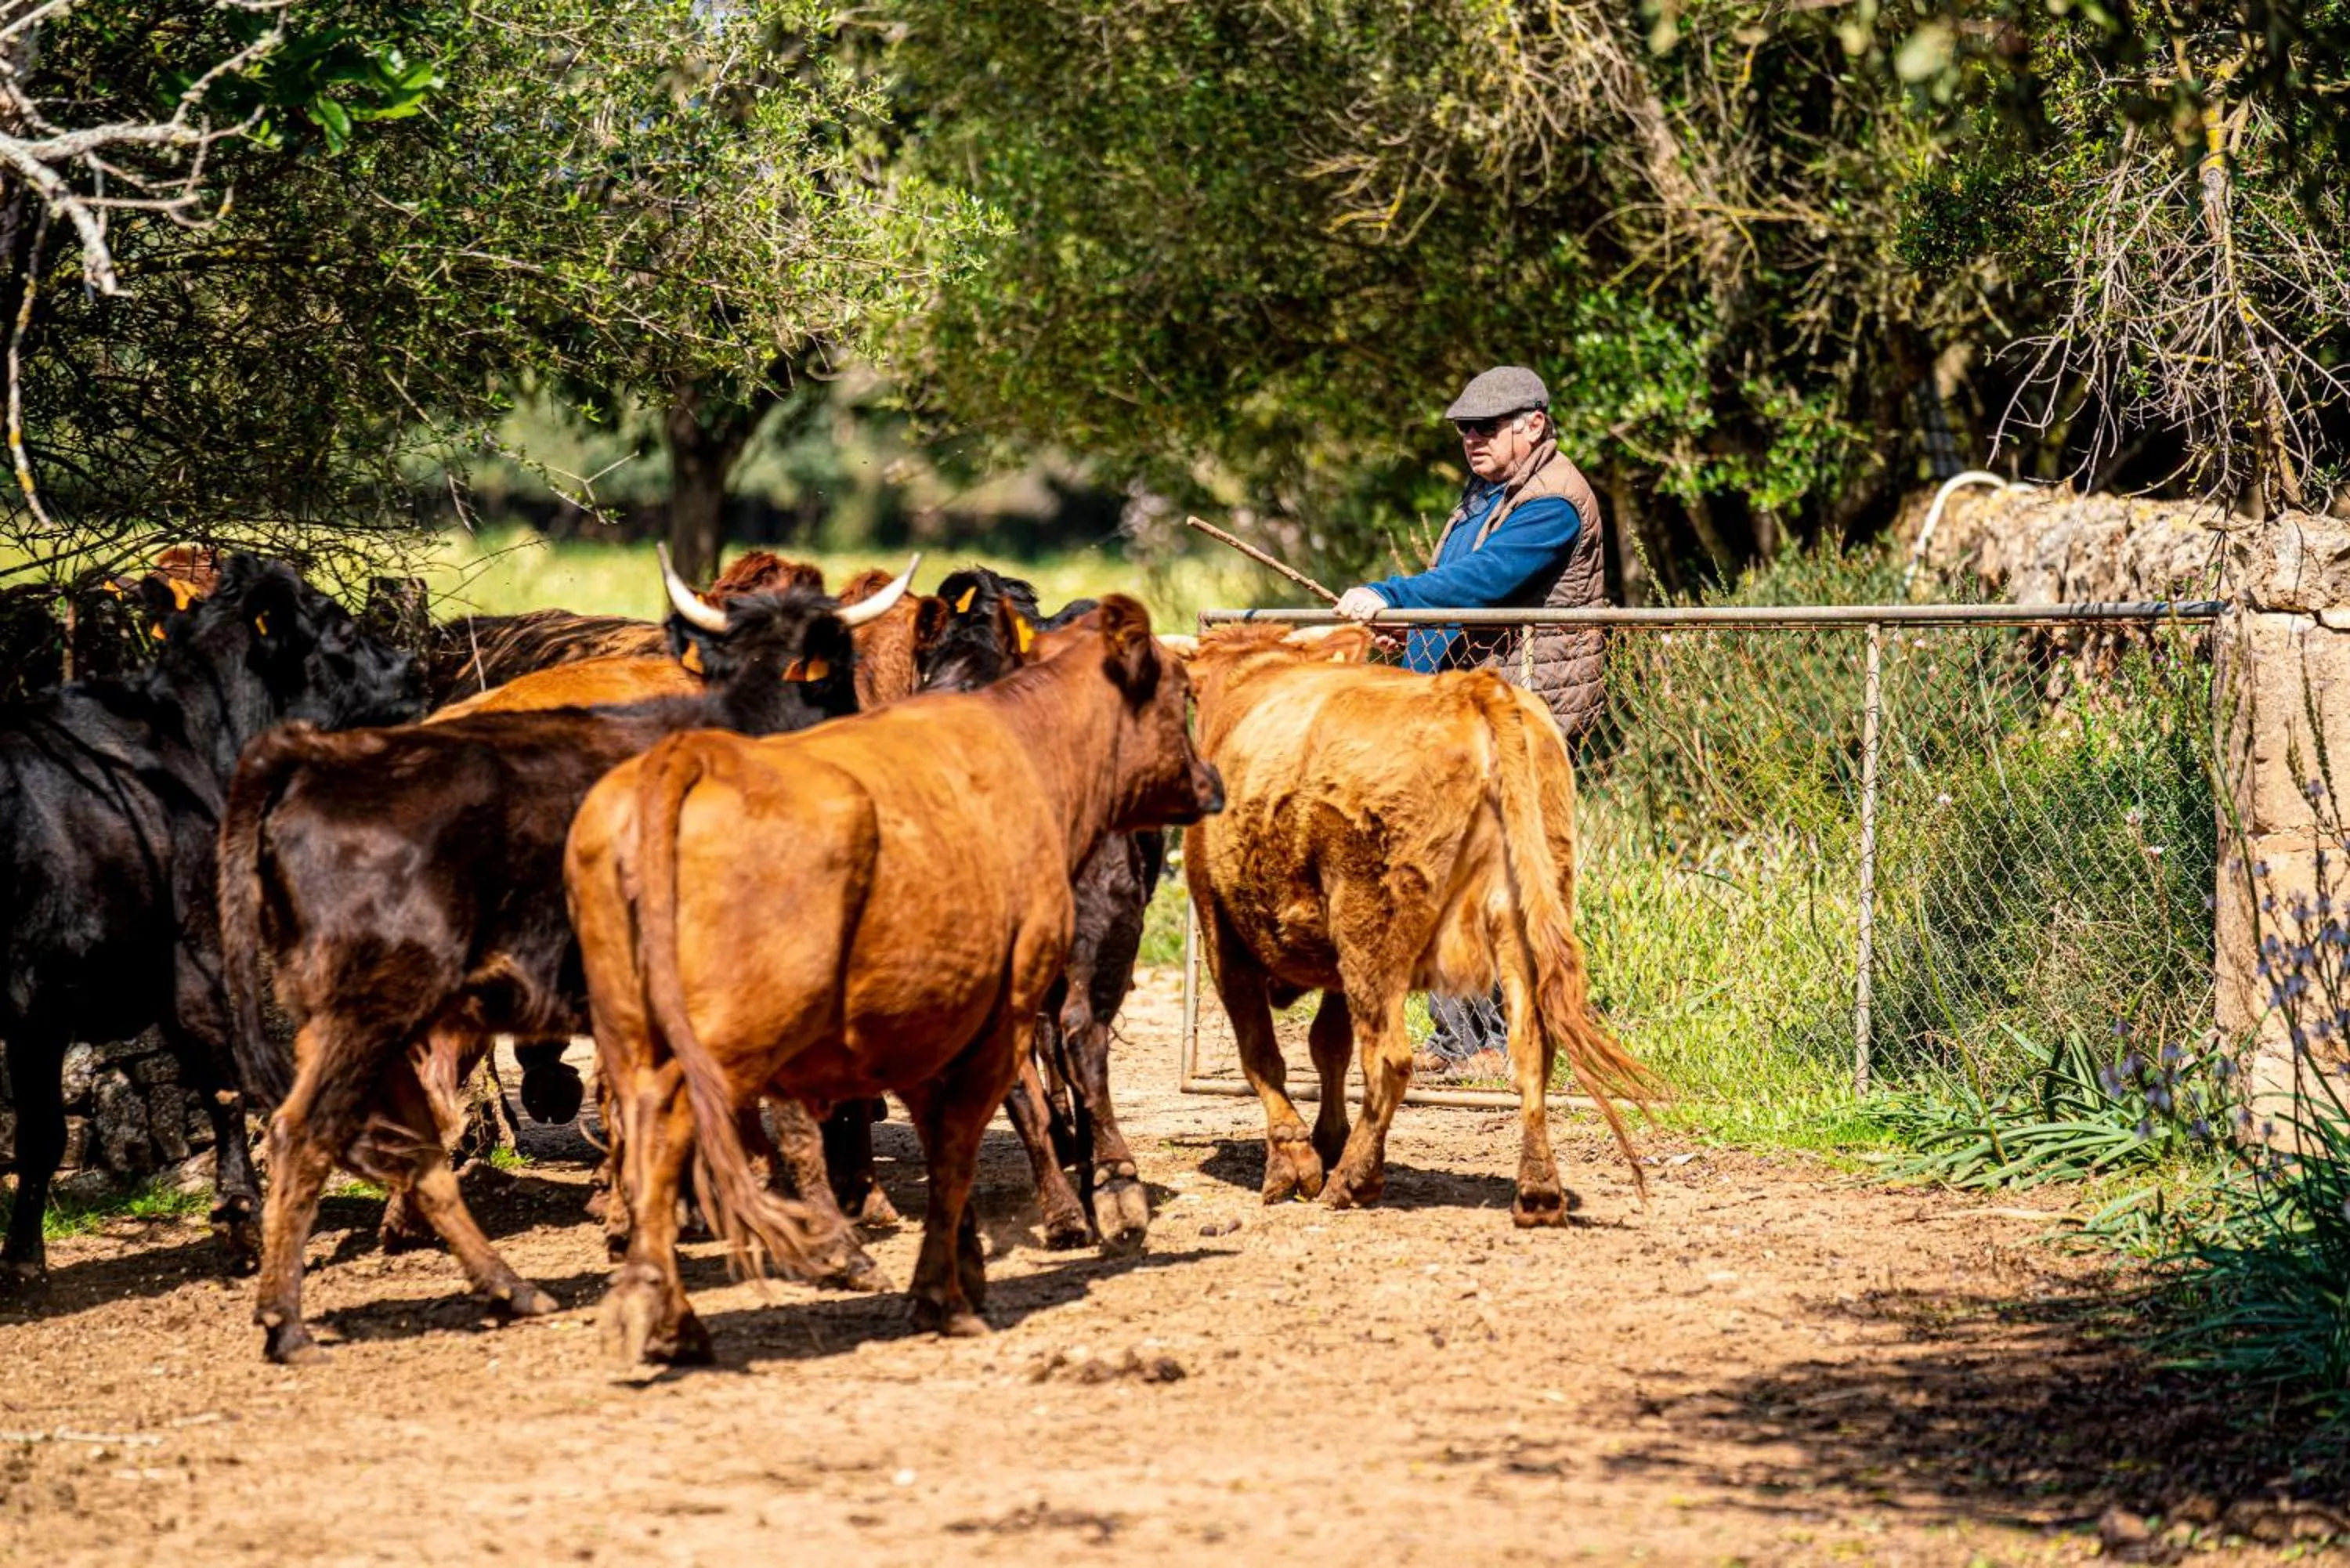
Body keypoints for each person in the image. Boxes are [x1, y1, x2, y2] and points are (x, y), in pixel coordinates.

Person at [1335, 365, 1611, 1071]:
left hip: (1521, 713)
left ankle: (1497, 1039)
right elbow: (1462, 599)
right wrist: (1407, 633)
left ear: (1534, 425)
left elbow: (1485, 581)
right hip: (1466, 709)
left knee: (1495, 872)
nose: (1472, 440)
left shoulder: (1552, 502)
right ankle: (1459, 1038)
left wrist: (1391, 594)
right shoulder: (1489, 493)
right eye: (1465, 430)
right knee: (1442, 868)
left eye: (1486, 427)